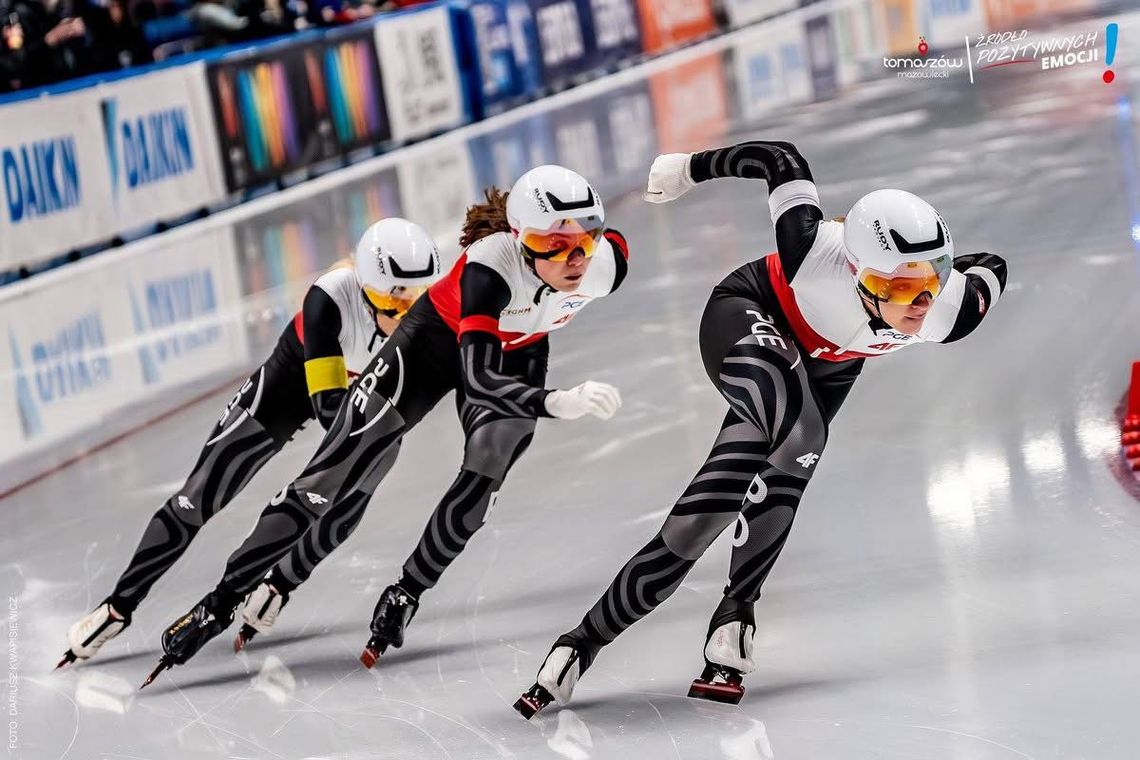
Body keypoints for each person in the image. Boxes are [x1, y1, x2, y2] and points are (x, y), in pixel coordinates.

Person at [514, 141, 1009, 718]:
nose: (919, 303)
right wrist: (686, 170)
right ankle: (737, 613)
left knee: (702, 519)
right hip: (747, 315)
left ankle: (580, 644)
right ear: (854, 270)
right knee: (803, 439)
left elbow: (992, 268)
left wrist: (950, 270)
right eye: (899, 287)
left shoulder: (947, 310)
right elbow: (782, 159)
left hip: (826, 369)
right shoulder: (811, 253)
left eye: (931, 281)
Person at [142, 165, 631, 686]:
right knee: (328, 476)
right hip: (437, 345)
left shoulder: (607, 266)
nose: (574, 258)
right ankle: (218, 604)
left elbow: (613, 244)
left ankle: (407, 591)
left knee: (488, 469)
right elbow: (480, 378)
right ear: (519, 240)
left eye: (585, 239)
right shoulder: (490, 270)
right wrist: (554, 401)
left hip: (522, 350)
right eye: (552, 243)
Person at [57, 217, 440, 669]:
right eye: (392, 300)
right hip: (293, 385)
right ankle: (118, 607)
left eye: (416, 301)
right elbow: (330, 412)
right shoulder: (329, 298)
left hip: (364, 394)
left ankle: (279, 586)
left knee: (351, 494)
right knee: (197, 497)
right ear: (368, 288)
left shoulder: (424, 321)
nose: (403, 314)